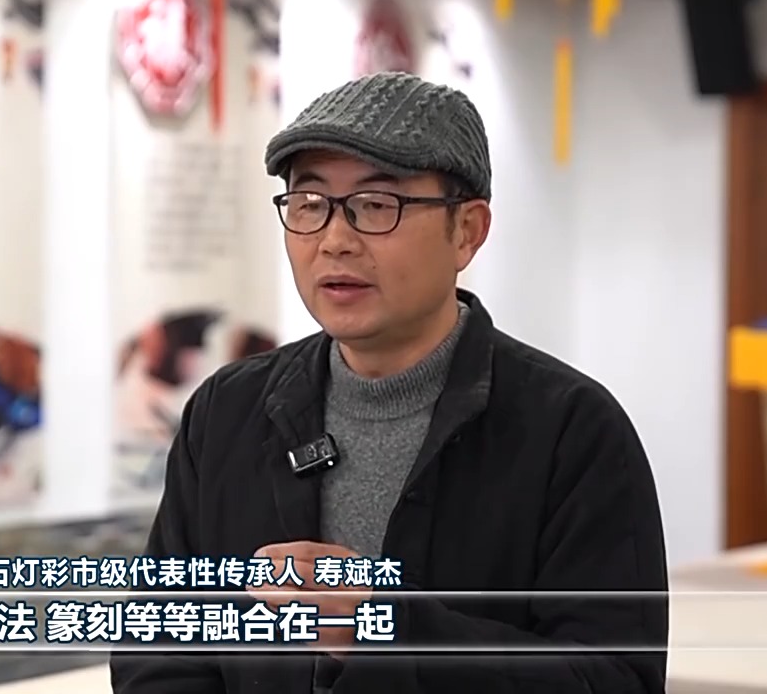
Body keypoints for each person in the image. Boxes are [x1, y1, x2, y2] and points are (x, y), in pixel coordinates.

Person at [109, 71, 669, 693]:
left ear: (467, 231)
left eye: (377, 205)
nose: (335, 241)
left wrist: (391, 631)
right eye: (310, 204)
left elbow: (617, 678)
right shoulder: (227, 411)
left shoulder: (571, 430)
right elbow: (158, 652)